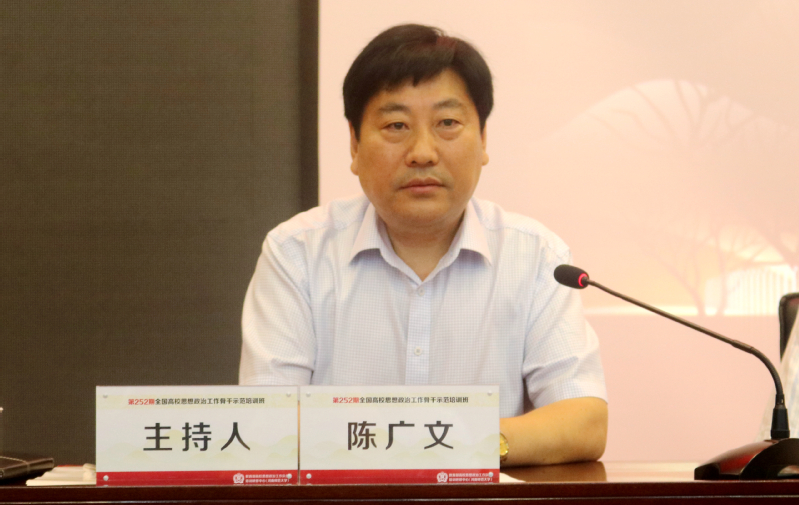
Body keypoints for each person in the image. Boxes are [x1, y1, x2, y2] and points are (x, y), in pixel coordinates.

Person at [239, 24, 607, 466]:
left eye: (447, 123)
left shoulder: (536, 257)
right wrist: (437, 444)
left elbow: (584, 422)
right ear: (354, 144)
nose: (423, 152)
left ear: (483, 139)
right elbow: (268, 426)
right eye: (396, 125)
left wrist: (456, 446)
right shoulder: (297, 253)